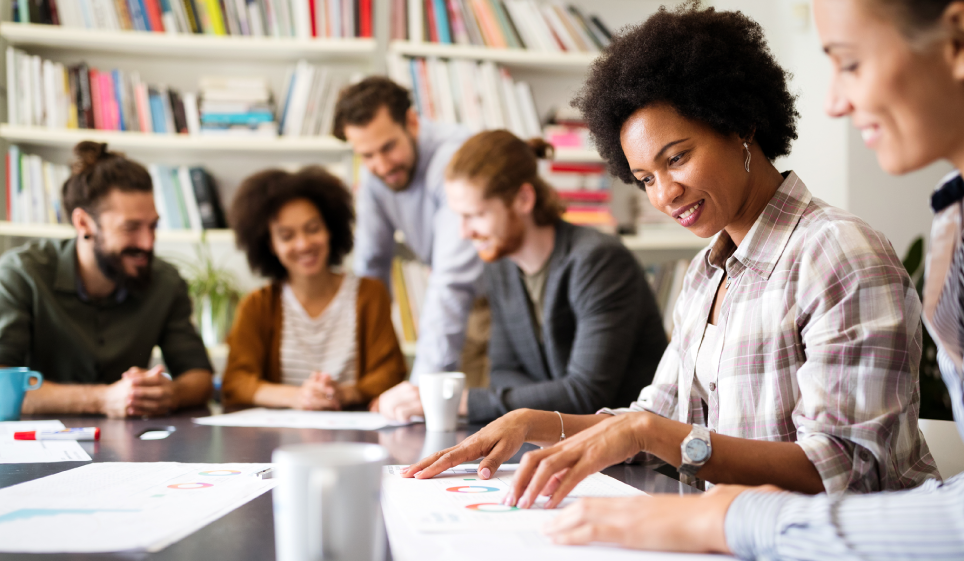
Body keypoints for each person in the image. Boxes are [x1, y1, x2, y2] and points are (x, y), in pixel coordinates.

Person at [533, 0, 964, 561]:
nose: (832, 101)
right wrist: (545, 426)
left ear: (962, 40)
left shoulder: (860, 248)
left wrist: (722, 516)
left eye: (850, 61)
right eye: (646, 177)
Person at [406, 2, 936, 505]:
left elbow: (845, 470)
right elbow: (654, 418)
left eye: (677, 158)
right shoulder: (707, 274)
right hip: (739, 539)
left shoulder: (837, 252)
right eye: (645, 179)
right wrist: (534, 421)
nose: (664, 194)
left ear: (740, 124)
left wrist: (650, 432)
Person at [375, 130, 669, 424]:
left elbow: (585, 393)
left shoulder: (598, 261)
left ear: (524, 199)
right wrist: (552, 393)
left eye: (475, 215)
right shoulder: (500, 266)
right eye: (459, 217)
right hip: (559, 445)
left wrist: (460, 402)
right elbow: (502, 372)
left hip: (629, 459)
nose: (464, 232)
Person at [0, 141, 212, 418]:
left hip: (134, 447)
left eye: (153, 226)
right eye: (130, 228)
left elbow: (199, 376)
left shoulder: (166, 282)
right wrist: (101, 399)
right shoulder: (21, 274)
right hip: (33, 447)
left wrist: (171, 393)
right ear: (83, 223)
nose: (147, 242)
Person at [333, 76, 486, 419]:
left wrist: (421, 389)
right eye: (367, 155)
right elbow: (371, 266)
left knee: (475, 427)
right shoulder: (376, 176)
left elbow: (451, 281)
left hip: (494, 309)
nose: (381, 165)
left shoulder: (455, 158)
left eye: (388, 148)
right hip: (453, 308)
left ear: (412, 122)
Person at [222, 167, 406, 411]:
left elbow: (391, 372)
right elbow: (235, 382)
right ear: (270, 244)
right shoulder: (257, 305)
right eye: (287, 236)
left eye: (313, 229)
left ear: (330, 229)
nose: (303, 244)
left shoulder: (370, 294)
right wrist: (297, 396)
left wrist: (345, 393)